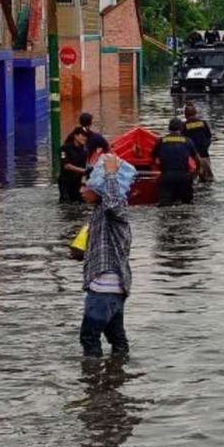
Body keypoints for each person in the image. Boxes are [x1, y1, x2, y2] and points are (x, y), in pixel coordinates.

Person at [79, 153, 134, 358]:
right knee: (117, 340)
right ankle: (117, 377)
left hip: (106, 287)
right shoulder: (99, 214)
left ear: (99, 186)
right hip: (110, 288)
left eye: (86, 186)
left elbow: (113, 201)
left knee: (89, 337)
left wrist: (110, 174)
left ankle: (93, 384)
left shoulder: (115, 210)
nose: (82, 191)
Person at [58, 112, 109, 203]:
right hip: (66, 181)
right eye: (82, 136)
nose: (84, 139)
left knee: (79, 203)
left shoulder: (85, 150)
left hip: (78, 181)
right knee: (66, 203)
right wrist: (85, 171)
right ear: (76, 136)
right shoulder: (65, 148)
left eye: (86, 137)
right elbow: (66, 165)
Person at [152, 118, 201, 206]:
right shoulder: (187, 141)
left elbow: (154, 159)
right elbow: (198, 159)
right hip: (184, 177)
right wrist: (196, 173)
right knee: (187, 204)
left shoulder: (160, 141)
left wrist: (159, 173)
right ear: (181, 128)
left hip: (167, 177)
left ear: (169, 128)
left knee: (165, 207)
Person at [181, 102, 214, 183]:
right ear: (196, 113)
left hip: (192, 157)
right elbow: (209, 138)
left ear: (185, 115)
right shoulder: (203, 123)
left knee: (193, 180)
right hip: (204, 155)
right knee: (208, 180)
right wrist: (205, 147)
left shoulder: (184, 125)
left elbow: (182, 142)